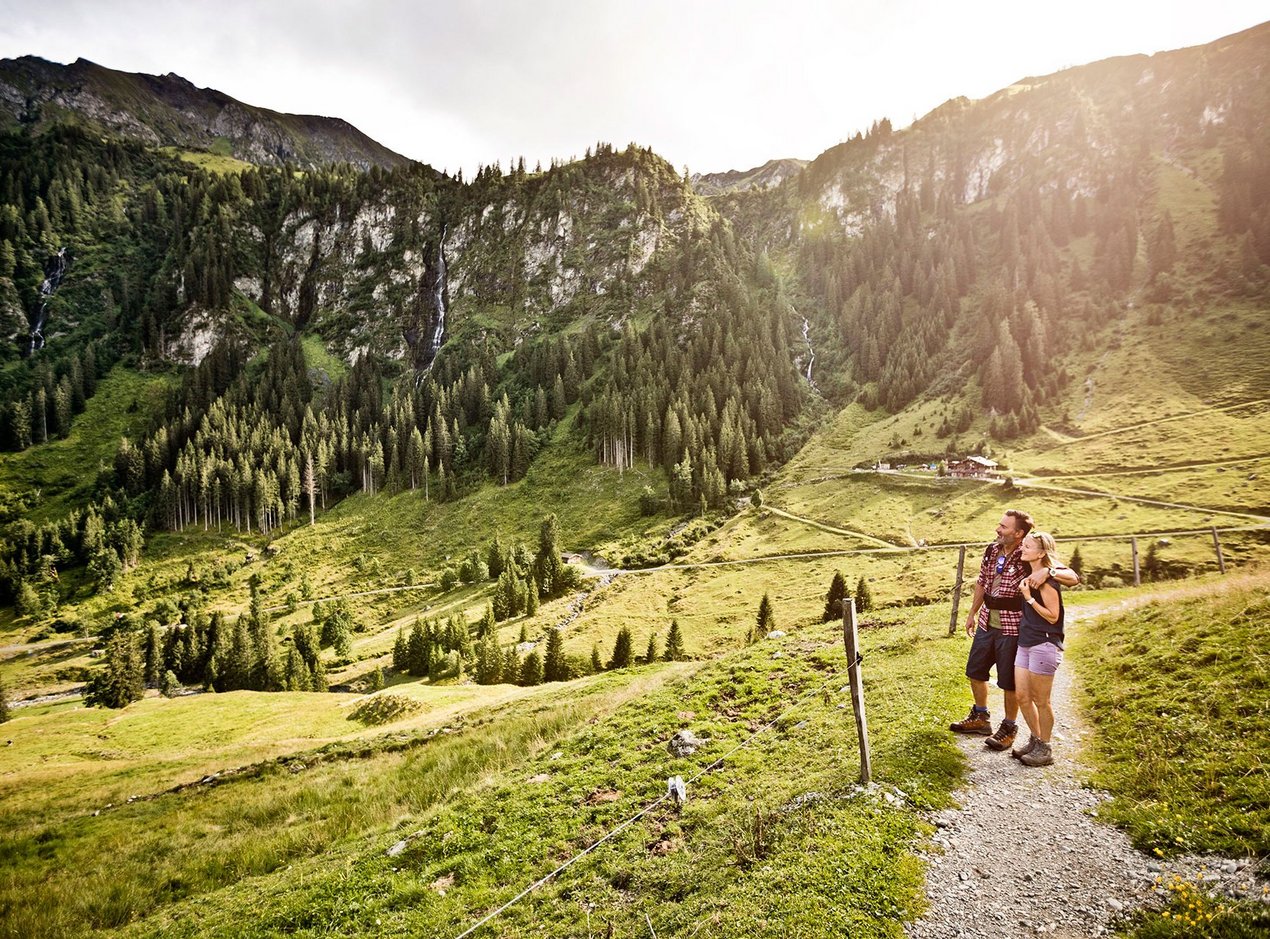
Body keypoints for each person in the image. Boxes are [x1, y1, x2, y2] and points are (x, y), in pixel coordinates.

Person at [949, 510, 1078, 751]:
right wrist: (972, 612)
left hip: (1013, 625)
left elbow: (1072, 576)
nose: (998, 529)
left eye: (1004, 527)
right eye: (999, 525)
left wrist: (1047, 571)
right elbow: (982, 581)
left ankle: (1008, 727)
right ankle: (980, 717)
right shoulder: (991, 550)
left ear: (1019, 533)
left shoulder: (1028, 554)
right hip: (987, 620)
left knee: (1009, 681)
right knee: (975, 671)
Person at [1013, 531, 1067, 766]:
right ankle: (1035, 739)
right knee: (1023, 697)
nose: (1022, 549)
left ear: (1042, 553)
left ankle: (1045, 749)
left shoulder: (1046, 582)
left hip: (1044, 643)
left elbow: (1053, 617)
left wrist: (1029, 598)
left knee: (1041, 700)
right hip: (1025, 642)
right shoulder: (1031, 573)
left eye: (1027, 546)